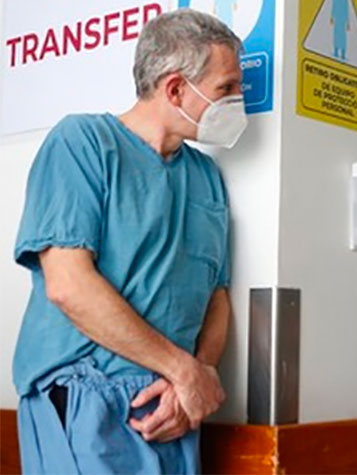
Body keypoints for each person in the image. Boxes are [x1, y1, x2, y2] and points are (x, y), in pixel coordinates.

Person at [13, 9, 247, 473]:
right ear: (176, 88)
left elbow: (216, 295)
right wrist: (185, 373)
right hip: (89, 399)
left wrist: (195, 379)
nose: (239, 100)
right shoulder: (82, 144)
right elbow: (68, 285)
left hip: (173, 409)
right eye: (227, 88)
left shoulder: (206, 177)